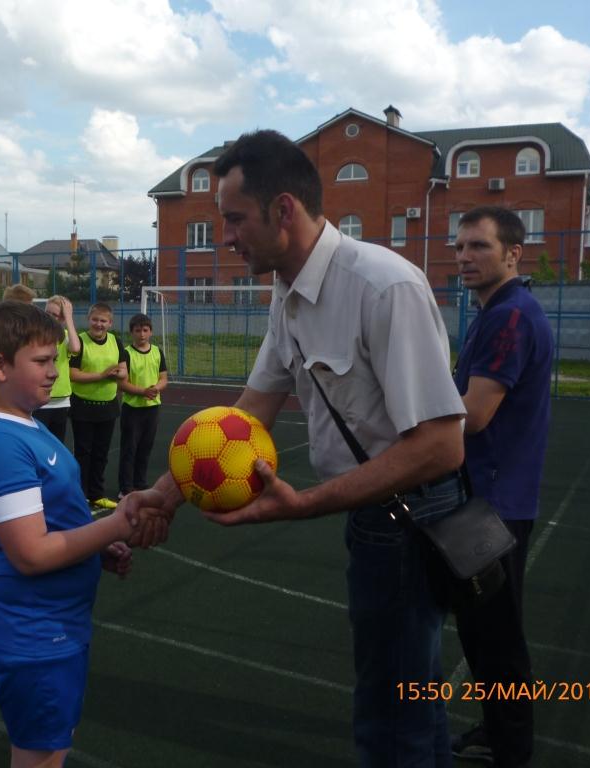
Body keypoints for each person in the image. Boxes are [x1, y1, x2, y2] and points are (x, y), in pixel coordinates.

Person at [150, 129, 467, 764]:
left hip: (411, 517)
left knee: (389, 713)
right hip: (377, 516)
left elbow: (440, 446)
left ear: (284, 210)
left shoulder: (383, 286)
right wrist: (162, 496)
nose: (226, 237)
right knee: (410, 697)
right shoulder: (287, 291)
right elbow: (250, 411)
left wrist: (307, 504)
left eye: (234, 220)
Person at [0, 301, 165, 768]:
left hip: (57, 626)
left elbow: (53, 523)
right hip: (34, 634)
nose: (55, 371)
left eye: (55, 359)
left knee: (53, 746)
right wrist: (119, 522)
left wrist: (93, 548)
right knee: (41, 759)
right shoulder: (0, 445)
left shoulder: (27, 423)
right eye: (41, 361)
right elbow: (30, 554)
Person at [449, 207, 553, 768]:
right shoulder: (496, 314)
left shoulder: (510, 318)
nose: (463, 256)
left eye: (479, 247)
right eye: (460, 246)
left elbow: (474, 414)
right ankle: (496, 729)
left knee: (498, 637)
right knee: (482, 630)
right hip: (489, 497)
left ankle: (511, 747)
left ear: (513, 253)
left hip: (494, 503)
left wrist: (410, 422)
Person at [69, 302, 128, 511]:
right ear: (88, 320)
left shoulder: (116, 342)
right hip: (83, 406)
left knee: (101, 454)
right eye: (95, 320)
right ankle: (80, 494)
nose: (99, 324)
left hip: (108, 407)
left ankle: (97, 494)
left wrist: (117, 374)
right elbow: (72, 374)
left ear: (110, 323)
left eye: (103, 321)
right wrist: (101, 375)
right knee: (83, 453)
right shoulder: (80, 342)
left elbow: (123, 371)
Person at [117, 313, 168, 497]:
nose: (142, 334)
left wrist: (155, 388)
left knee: (145, 447)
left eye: (145, 330)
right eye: (137, 331)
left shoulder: (157, 351)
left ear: (151, 332)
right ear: (131, 333)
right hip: (133, 410)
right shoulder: (126, 354)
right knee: (129, 449)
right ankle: (125, 488)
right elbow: (122, 384)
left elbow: (164, 378)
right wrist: (142, 391)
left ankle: (141, 483)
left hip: (152, 408)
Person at [34, 294, 81, 444]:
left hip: (61, 401)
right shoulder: (36, 335)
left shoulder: (66, 336)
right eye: (48, 312)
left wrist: (69, 318)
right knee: (39, 444)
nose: (50, 317)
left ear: (62, 318)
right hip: (40, 399)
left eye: (55, 315)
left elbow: (75, 348)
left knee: (56, 444)